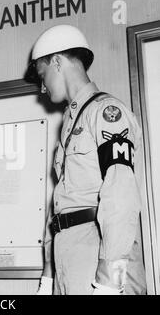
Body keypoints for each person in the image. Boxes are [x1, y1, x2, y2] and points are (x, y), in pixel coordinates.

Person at [27, 25, 146, 295]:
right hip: (70, 263)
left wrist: (109, 280)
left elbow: (121, 196)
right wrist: (48, 277)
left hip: (99, 261)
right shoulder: (70, 124)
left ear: (57, 61)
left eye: (42, 75)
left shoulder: (106, 112)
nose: (43, 89)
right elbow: (61, 207)